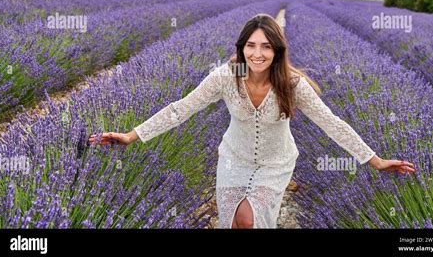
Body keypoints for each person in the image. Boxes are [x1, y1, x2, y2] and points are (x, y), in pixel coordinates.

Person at [89, 13, 415, 229]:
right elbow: (180, 109)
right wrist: (133, 135)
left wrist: (375, 160)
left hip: (276, 164)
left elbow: (332, 123)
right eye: (250, 46)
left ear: (277, 50)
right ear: (242, 48)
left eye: (266, 47)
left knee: (250, 219)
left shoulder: (292, 84)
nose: (257, 54)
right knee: (232, 222)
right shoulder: (226, 77)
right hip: (233, 159)